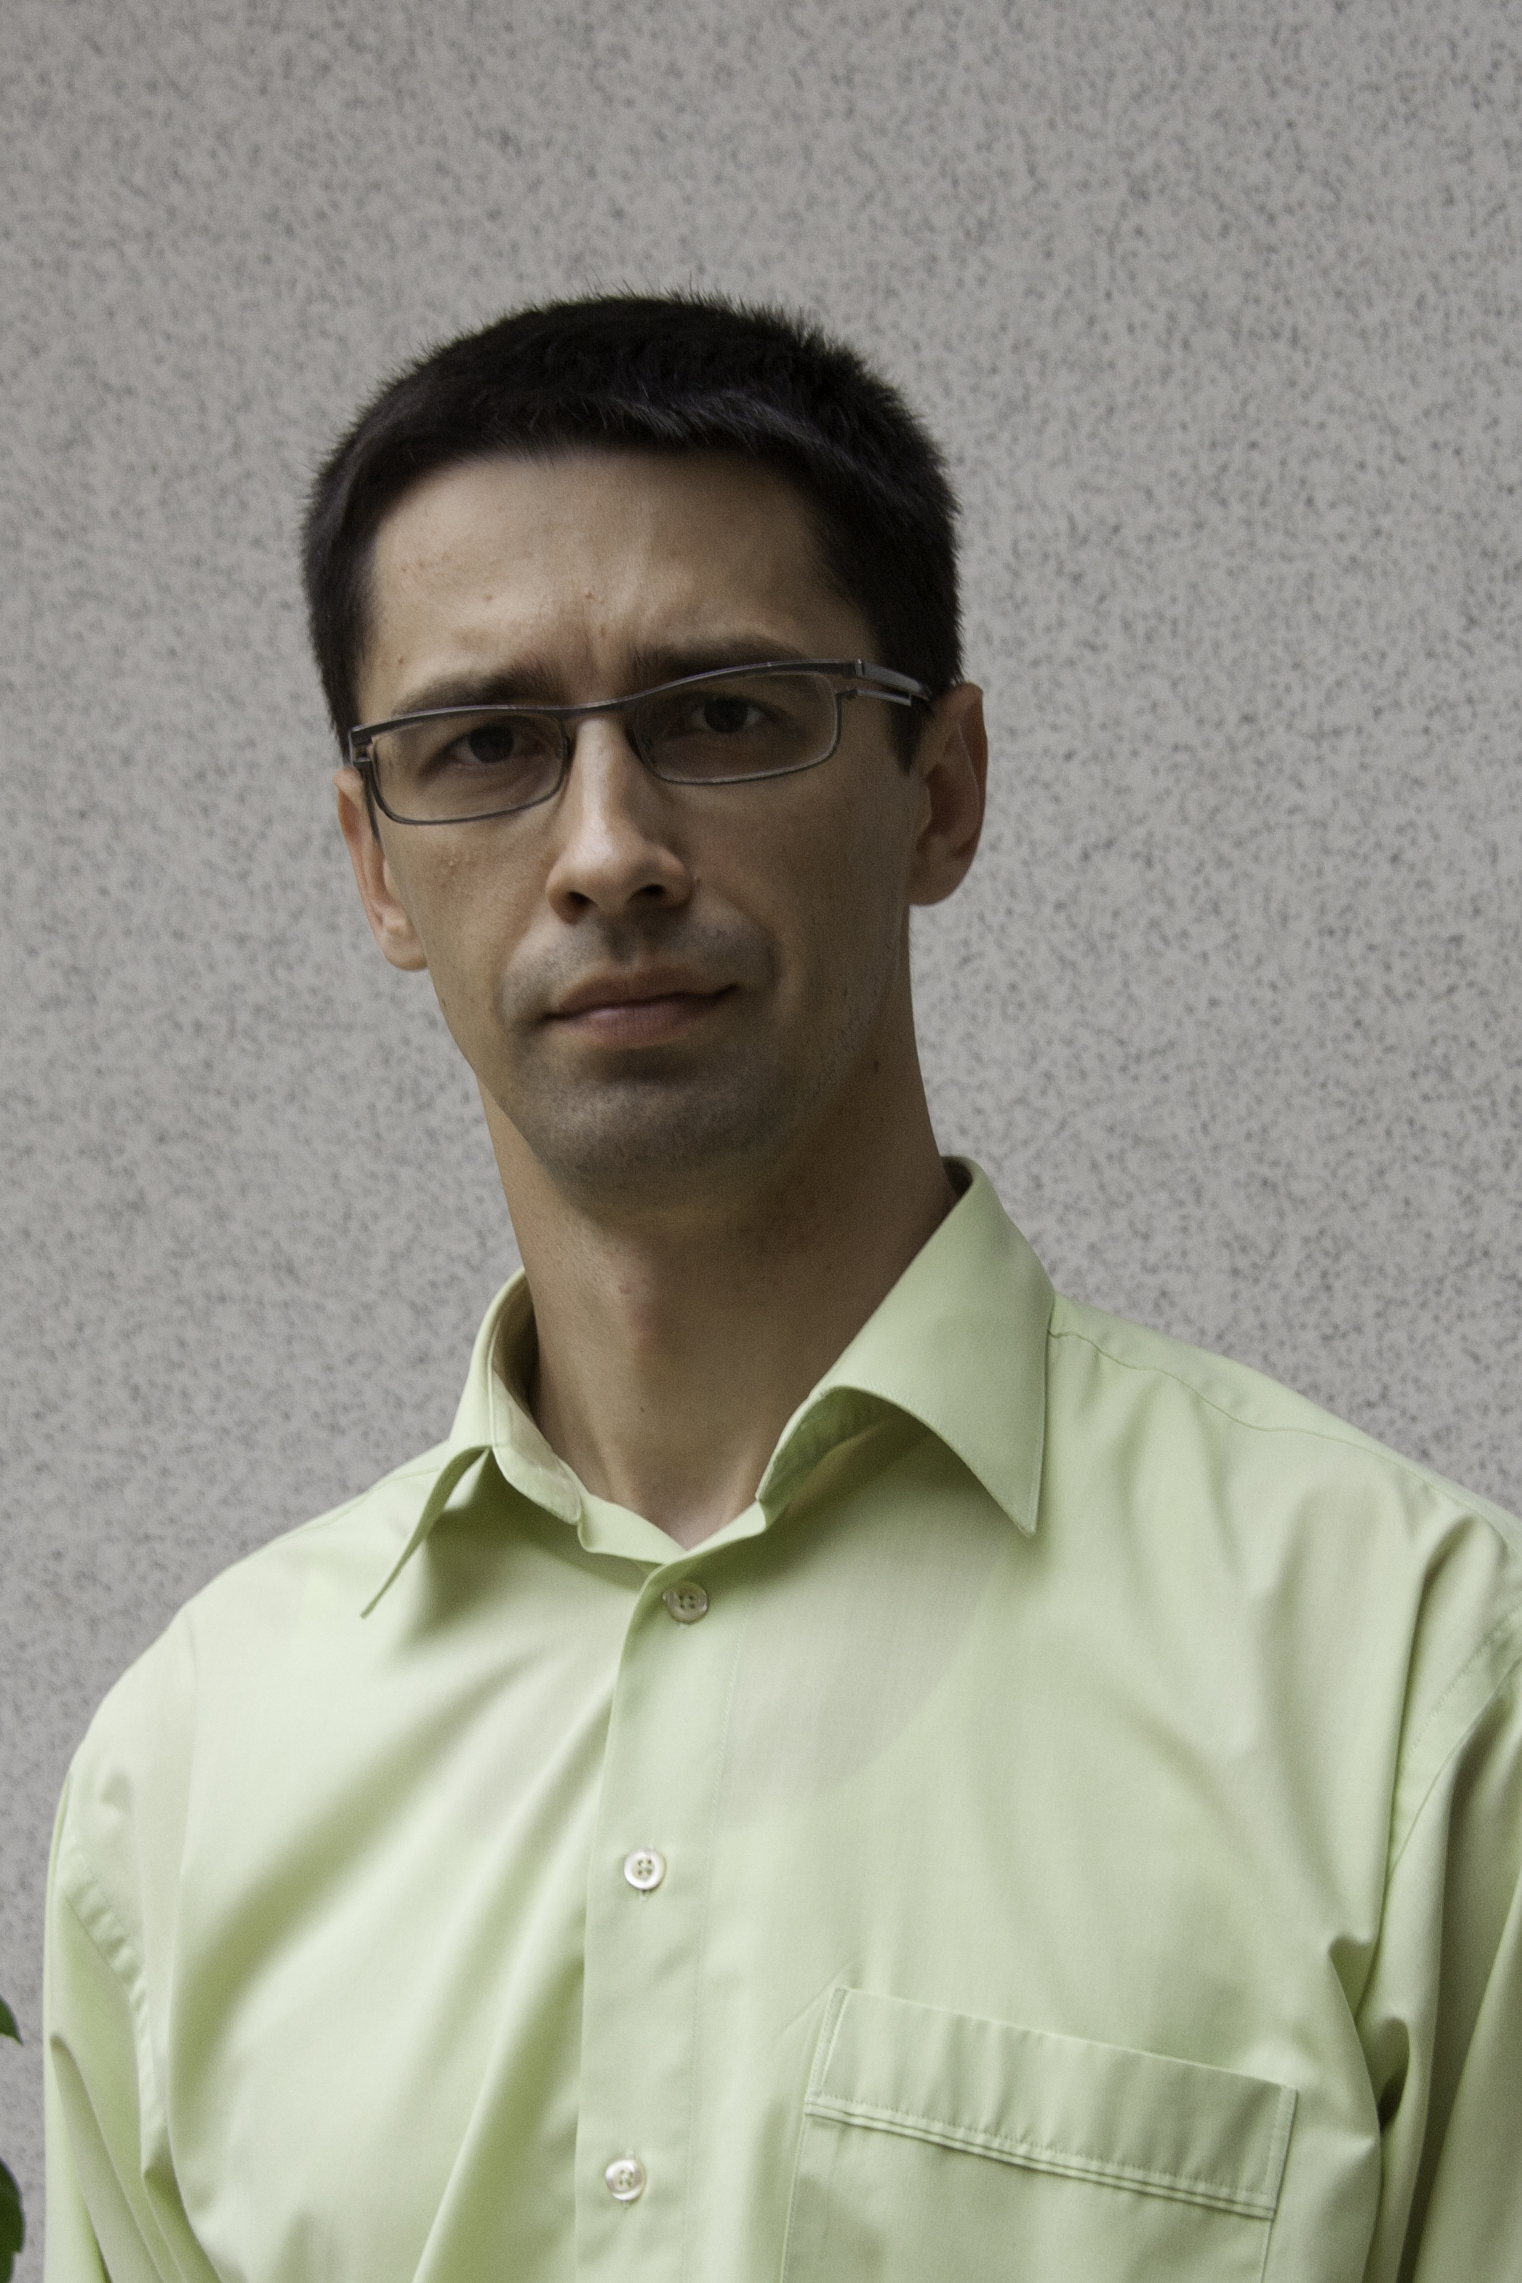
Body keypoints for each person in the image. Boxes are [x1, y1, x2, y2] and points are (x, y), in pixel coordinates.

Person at [43, 294, 1522, 2283]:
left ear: (941, 789)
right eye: (484, 745)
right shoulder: (192, 1771)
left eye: (723, 713)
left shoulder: (1406, 1679)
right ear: (376, 865)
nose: (606, 850)